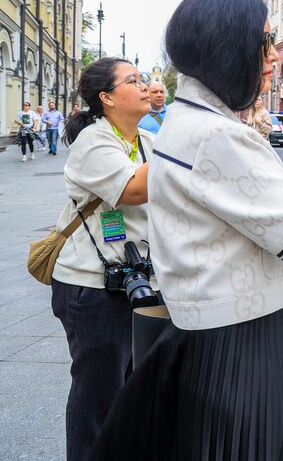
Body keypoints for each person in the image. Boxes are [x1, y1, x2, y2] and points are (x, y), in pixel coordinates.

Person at [91, 0, 283, 460]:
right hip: (241, 343)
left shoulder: (187, 119)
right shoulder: (218, 135)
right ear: (229, 48)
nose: (272, 57)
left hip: (225, 334)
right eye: (264, 43)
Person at [50, 58, 156, 461]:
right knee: (98, 396)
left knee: (131, 390)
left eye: (142, 78)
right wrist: (187, 140)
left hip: (136, 280)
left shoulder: (146, 139)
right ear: (107, 98)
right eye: (133, 80)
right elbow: (131, 189)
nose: (145, 85)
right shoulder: (94, 141)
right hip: (92, 289)